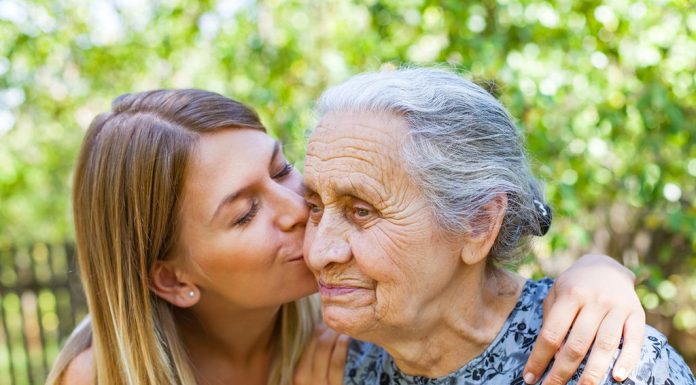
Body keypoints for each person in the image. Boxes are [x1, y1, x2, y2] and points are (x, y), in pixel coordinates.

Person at [48, 88, 646, 385]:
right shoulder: (102, 374)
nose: (300, 209)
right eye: (244, 213)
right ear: (174, 279)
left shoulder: (354, 324)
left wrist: (600, 271)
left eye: (281, 169)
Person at [302, 68, 696, 385]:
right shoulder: (333, 360)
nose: (319, 251)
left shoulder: (604, 362)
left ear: (479, 223)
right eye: (315, 207)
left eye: (362, 211)